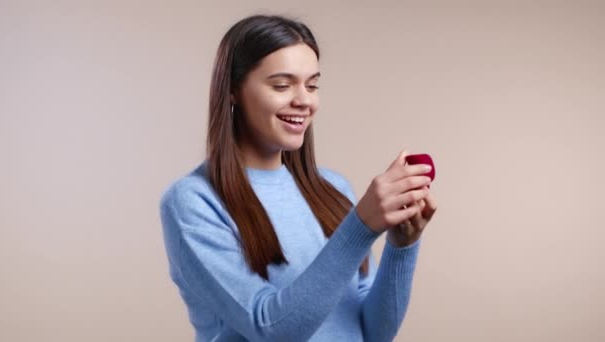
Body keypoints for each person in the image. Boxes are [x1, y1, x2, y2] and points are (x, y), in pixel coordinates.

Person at [159, 14, 437, 342]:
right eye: (282, 85)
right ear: (233, 91)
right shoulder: (193, 201)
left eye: (312, 84)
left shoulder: (332, 189)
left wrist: (401, 246)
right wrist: (361, 227)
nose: (304, 100)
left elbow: (372, 333)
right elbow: (271, 329)